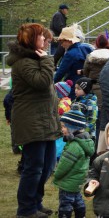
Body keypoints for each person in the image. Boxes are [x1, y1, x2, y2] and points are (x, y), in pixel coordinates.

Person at [7, 23, 60, 218]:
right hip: (31, 122)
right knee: (33, 168)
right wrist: (47, 61)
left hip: (44, 121)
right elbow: (42, 82)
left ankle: (36, 203)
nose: (44, 40)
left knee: (46, 166)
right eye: (40, 37)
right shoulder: (24, 62)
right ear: (32, 40)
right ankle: (26, 209)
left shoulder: (34, 58)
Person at [54, 106, 95, 218]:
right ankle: (81, 215)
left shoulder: (74, 146)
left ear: (72, 128)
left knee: (65, 203)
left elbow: (64, 165)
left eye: (64, 126)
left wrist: (57, 175)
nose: (62, 129)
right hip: (77, 181)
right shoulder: (84, 142)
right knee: (77, 199)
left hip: (68, 181)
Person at [81, 33, 109, 143]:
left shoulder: (90, 56)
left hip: (95, 90)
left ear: (97, 43)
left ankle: (96, 144)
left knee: (96, 120)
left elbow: (85, 73)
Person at [54, 25, 93, 99]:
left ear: (69, 41)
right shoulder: (85, 48)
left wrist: (50, 84)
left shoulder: (70, 54)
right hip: (85, 86)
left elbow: (60, 73)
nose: (61, 45)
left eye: (62, 42)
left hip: (73, 87)